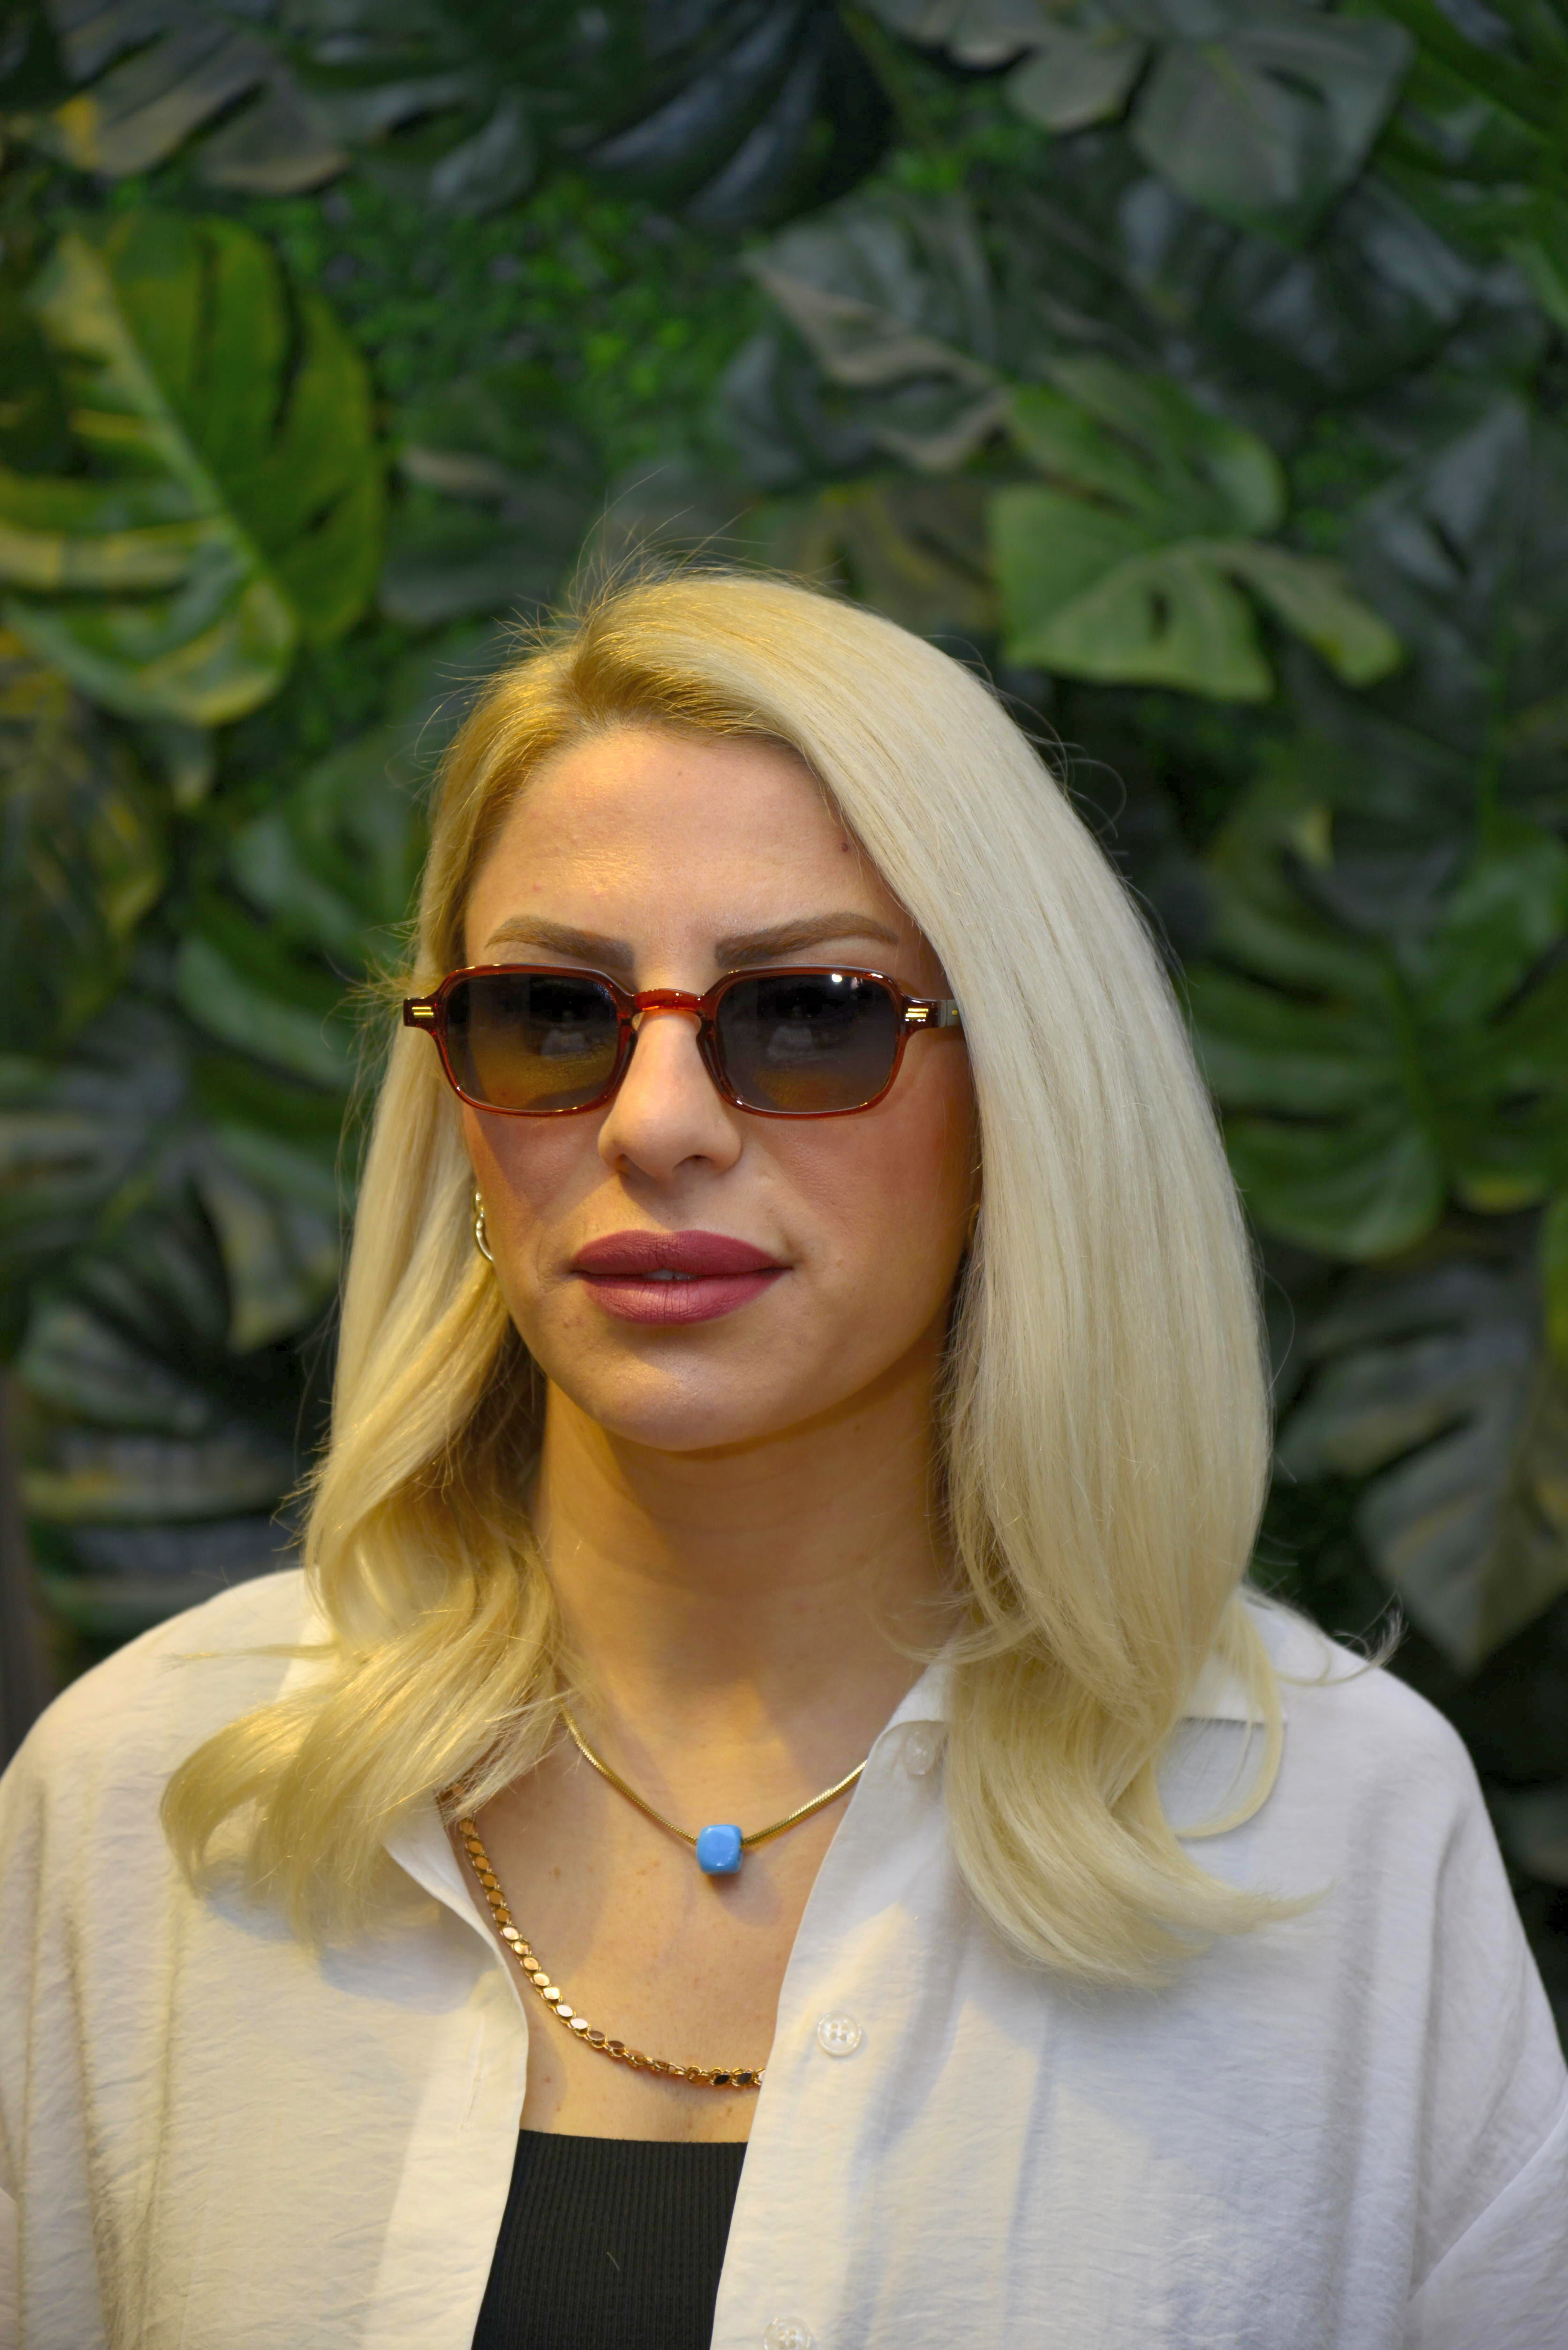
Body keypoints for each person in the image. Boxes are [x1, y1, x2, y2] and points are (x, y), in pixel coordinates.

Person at [1, 571, 1564, 2350]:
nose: (658, 1124)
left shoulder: (1333, 1837)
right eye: (553, 1017)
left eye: (811, 1014)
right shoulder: (156, 1801)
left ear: (1023, 1098)